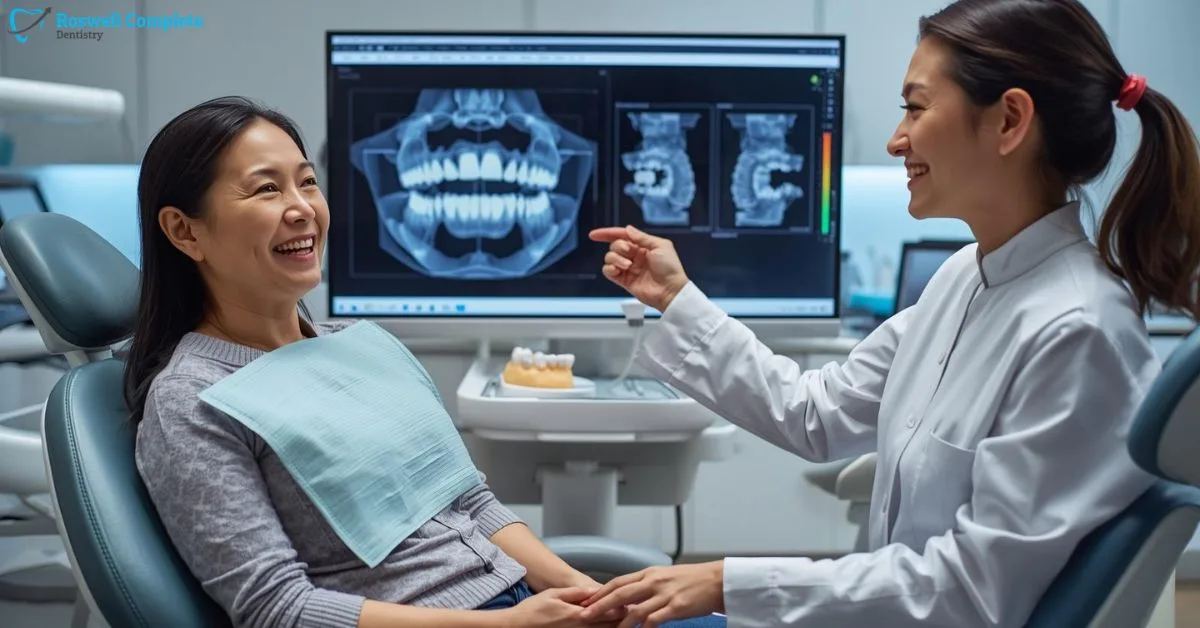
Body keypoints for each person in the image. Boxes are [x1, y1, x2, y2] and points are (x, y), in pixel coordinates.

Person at [582, 0, 1200, 626]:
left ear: (1010, 120)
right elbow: (814, 413)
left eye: (916, 107)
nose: (896, 138)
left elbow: (972, 593)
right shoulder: (964, 278)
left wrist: (728, 583)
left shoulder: (1078, 329)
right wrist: (676, 298)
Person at [124, 95, 725, 628]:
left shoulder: (361, 343)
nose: (302, 207)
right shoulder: (193, 400)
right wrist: (509, 627)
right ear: (184, 231)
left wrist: (590, 597)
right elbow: (277, 610)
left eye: (307, 182)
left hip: (523, 603)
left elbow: (470, 503)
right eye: (266, 189)